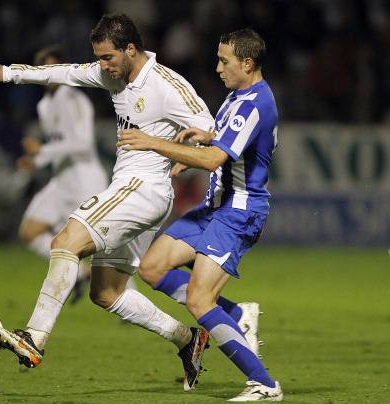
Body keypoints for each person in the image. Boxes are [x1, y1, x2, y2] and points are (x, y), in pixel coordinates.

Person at [0, 13, 216, 390]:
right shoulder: (111, 74)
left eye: (107, 57)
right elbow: (65, 72)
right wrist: (8, 73)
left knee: (65, 242)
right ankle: (187, 339)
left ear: (130, 49)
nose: (102, 66)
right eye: (99, 58)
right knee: (106, 293)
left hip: (142, 188)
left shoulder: (166, 84)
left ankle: (34, 337)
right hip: (137, 192)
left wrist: (184, 148)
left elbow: (209, 126)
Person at [117, 28, 283, 401]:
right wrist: (206, 139)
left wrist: (154, 143)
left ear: (247, 63)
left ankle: (264, 384)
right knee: (152, 267)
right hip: (215, 206)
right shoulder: (238, 97)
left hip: (238, 212)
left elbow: (214, 160)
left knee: (198, 300)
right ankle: (236, 315)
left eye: (225, 61)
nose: (218, 68)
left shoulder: (254, 104)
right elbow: (224, 147)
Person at [16, 45, 109, 304]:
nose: (50, 74)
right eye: (44, 69)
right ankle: (80, 273)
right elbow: (58, 145)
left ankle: (125, 294)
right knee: (30, 231)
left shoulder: (75, 99)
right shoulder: (45, 105)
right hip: (61, 181)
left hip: (85, 180)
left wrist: (42, 151)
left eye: (54, 68)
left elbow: (83, 143)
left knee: (103, 245)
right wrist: (36, 160)